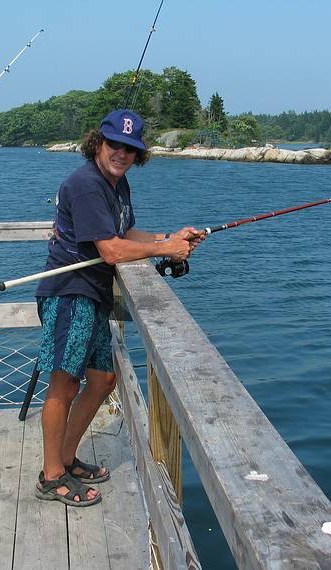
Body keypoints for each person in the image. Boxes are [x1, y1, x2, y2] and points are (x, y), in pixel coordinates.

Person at [34, 109, 204, 506]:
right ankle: (51, 476)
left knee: (102, 381)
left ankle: (66, 458)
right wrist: (164, 249)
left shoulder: (117, 183)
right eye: (114, 144)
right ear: (98, 142)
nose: (121, 153)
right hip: (68, 294)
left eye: (130, 148)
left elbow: (124, 232)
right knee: (64, 384)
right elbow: (111, 250)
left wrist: (168, 236)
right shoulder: (86, 185)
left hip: (92, 295)